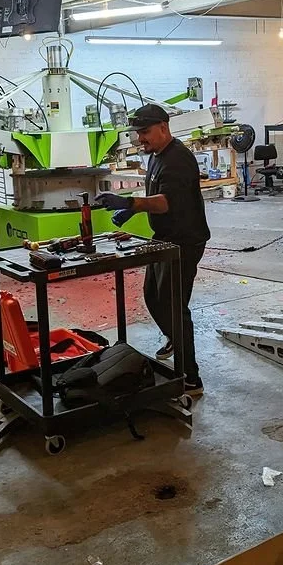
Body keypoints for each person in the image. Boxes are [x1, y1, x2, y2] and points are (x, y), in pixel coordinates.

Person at [96, 104, 209, 396]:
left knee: (173, 305)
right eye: (137, 133)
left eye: (145, 132)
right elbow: (156, 197)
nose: (140, 139)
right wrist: (132, 213)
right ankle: (175, 337)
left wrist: (130, 204)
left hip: (185, 241)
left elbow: (166, 202)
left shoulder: (179, 159)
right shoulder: (158, 157)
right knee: (153, 297)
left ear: (163, 126)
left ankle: (191, 378)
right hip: (165, 237)